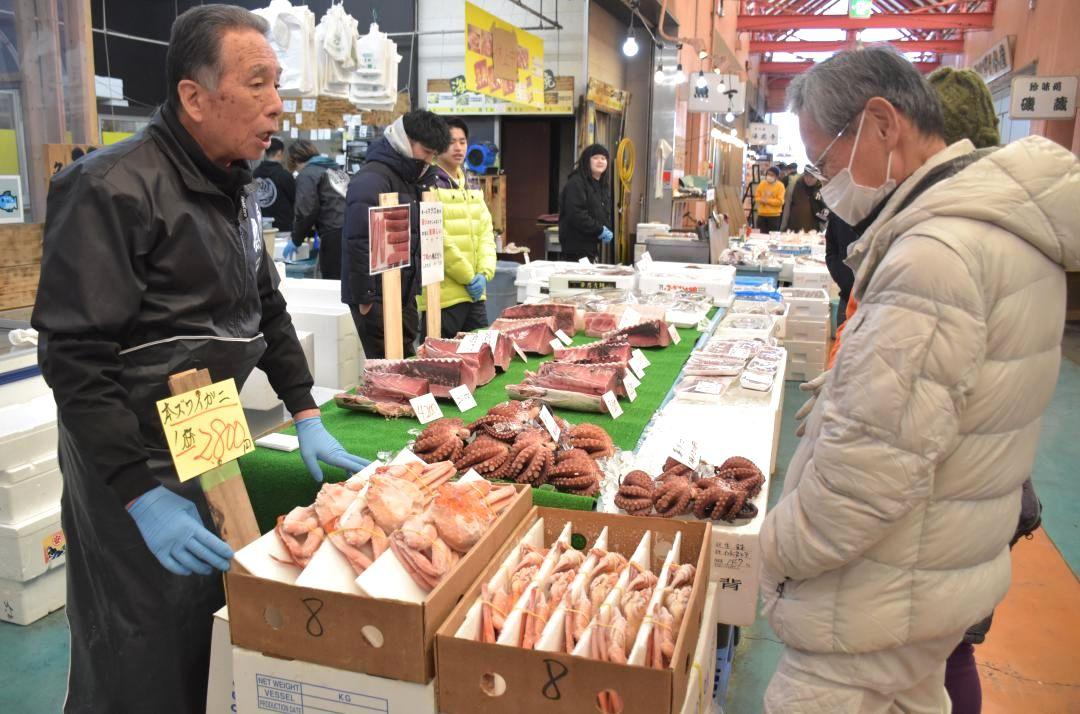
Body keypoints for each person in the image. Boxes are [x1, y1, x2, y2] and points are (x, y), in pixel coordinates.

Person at [31, 7, 368, 712]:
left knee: (208, 617)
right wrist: (138, 493)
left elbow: (264, 307)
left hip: (204, 421)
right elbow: (75, 358)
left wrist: (305, 409)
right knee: (140, 638)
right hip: (127, 456)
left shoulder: (234, 181)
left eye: (277, 82)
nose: (277, 103)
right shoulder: (108, 187)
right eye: (257, 83)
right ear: (193, 96)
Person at [760, 45, 1079, 713]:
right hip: (931, 572)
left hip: (876, 599)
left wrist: (772, 550)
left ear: (882, 123)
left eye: (824, 162)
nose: (825, 184)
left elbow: (863, 476)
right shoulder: (1000, 230)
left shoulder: (936, 255)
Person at [342, 110, 450, 358]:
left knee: (407, 359)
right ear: (405, 139)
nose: (430, 160)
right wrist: (365, 300)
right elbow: (358, 242)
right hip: (375, 295)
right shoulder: (372, 179)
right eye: (426, 151)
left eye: (434, 155)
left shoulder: (413, 178)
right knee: (387, 367)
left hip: (404, 290)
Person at [418, 117, 496, 337]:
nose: (458, 147)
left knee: (482, 358)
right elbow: (435, 237)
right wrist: (467, 276)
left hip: (475, 295)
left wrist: (484, 273)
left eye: (462, 141)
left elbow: (485, 231)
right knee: (443, 364)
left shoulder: (471, 180)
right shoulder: (427, 182)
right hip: (442, 297)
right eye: (452, 141)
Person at [287, 139, 348, 279]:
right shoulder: (335, 169)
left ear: (295, 160)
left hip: (333, 236)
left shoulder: (307, 174)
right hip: (352, 231)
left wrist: (296, 239)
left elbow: (306, 211)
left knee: (333, 283)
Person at [557, 143, 613, 262]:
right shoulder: (576, 183)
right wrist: (599, 230)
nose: (600, 161)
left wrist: (606, 226)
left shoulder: (600, 185)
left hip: (591, 246)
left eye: (603, 158)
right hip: (576, 248)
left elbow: (601, 211)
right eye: (595, 158)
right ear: (587, 161)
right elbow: (576, 214)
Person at [253, 136, 295, 233]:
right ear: (280, 153)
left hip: (260, 228)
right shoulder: (285, 175)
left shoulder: (254, 174)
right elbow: (294, 200)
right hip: (283, 228)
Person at [753, 166, 785, 232]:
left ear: (776, 176)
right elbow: (756, 197)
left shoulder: (780, 186)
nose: (769, 176)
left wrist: (767, 201)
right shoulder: (762, 184)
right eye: (768, 174)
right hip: (761, 214)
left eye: (772, 175)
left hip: (774, 216)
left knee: (772, 237)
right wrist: (760, 200)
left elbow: (780, 201)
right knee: (761, 236)